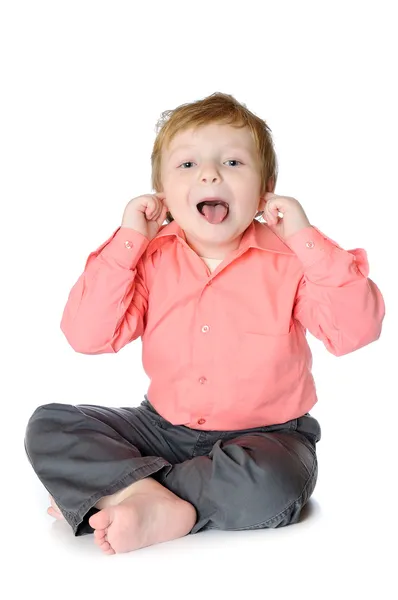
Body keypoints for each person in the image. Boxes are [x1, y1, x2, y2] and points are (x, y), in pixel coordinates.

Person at [24, 92, 386, 555]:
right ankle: (145, 495)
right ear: (163, 195)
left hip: (267, 438)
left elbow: (355, 330)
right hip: (161, 428)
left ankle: (122, 489)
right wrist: (130, 239)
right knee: (49, 425)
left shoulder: (293, 259)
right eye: (188, 165)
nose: (211, 173)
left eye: (233, 162)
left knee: (272, 484)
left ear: (265, 189)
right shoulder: (150, 258)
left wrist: (303, 236)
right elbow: (87, 335)